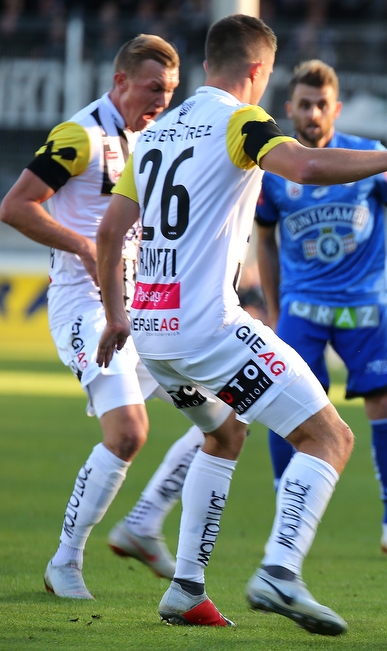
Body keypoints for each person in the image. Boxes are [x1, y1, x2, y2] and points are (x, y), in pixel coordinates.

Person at [95, 14, 387, 634]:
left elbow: (108, 231)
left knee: (224, 434)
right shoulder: (244, 122)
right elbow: (306, 168)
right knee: (332, 438)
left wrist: (115, 315)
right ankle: (280, 571)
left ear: (207, 65)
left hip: (153, 333)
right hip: (208, 331)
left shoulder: (153, 135)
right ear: (258, 72)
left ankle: (185, 588)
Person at [0, 34, 205, 601]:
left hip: (149, 304)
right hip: (85, 305)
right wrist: (86, 247)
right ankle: (64, 561)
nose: (162, 99)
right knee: (129, 431)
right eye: (151, 88)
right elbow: (15, 206)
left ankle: (142, 522)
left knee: (228, 418)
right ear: (119, 82)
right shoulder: (80, 136)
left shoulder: (157, 137)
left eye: (170, 89)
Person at [255, 59, 387, 563]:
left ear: (337, 107)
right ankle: (287, 516)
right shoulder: (277, 167)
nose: (312, 114)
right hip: (302, 310)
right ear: (289, 109)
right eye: (303, 105)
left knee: (382, 407)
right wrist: (273, 303)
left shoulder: (369, 157)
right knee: (287, 412)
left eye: (321, 105)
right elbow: (263, 238)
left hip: (365, 309)